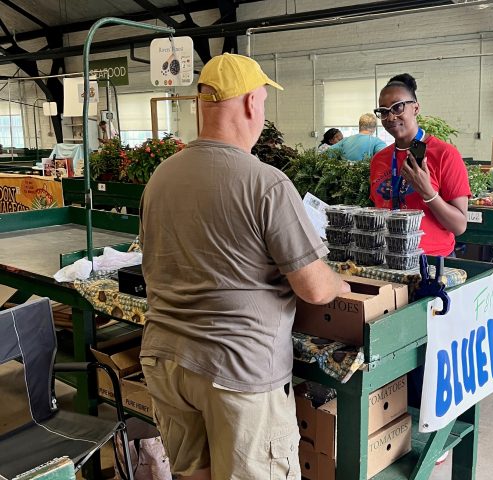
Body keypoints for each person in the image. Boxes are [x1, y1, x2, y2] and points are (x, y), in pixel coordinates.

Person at [139, 53, 350, 480]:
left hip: (166, 359)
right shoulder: (265, 182)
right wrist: (337, 280)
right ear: (253, 103)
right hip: (237, 371)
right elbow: (313, 288)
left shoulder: (161, 176)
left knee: (193, 474)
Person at [370, 73, 471, 410]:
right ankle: (394, 427)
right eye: (383, 111)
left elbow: (459, 225)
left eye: (398, 107)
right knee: (391, 356)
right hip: (389, 269)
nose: (391, 116)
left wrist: (429, 193)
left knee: (427, 360)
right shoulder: (380, 161)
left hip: (430, 270)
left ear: (416, 108)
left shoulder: (444, 155)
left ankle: (431, 430)